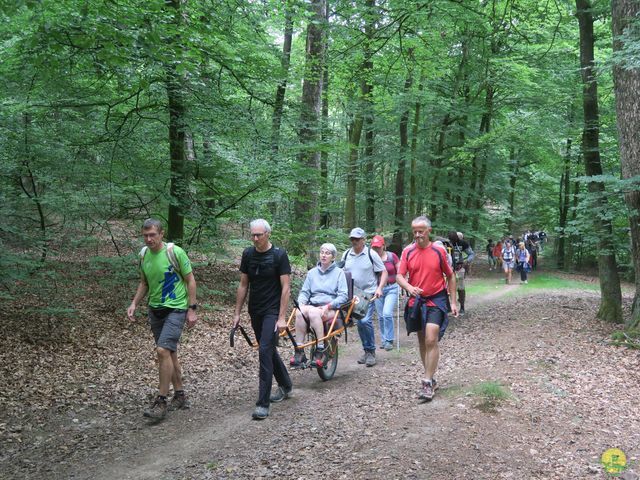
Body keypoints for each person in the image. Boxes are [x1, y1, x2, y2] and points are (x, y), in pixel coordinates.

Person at [127, 218, 198, 419]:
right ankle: (181, 394)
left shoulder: (174, 252)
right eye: (145, 235)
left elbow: (190, 280)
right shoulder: (143, 255)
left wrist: (192, 309)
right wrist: (134, 303)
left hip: (176, 309)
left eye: (152, 235)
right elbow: (144, 282)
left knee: (162, 350)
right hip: (155, 309)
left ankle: (161, 400)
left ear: (161, 234)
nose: (149, 239)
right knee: (169, 353)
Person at [233, 219, 293, 420]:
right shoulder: (248, 254)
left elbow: (286, 287)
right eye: (253, 235)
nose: (255, 238)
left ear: (268, 234)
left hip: (273, 311)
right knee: (267, 348)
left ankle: (263, 403)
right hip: (255, 310)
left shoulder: (279, 255)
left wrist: (282, 317)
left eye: (259, 235)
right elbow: (243, 285)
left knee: (265, 350)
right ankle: (286, 384)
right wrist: (237, 313)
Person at [396, 216, 458, 402]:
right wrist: (408, 287)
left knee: (432, 338)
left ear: (428, 231)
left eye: (421, 231)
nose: (417, 235)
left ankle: (427, 381)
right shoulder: (408, 252)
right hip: (417, 300)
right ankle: (430, 377)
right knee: (423, 341)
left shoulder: (439, 251)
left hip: (437, 299)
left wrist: (453, 302)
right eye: (414, 231)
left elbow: (451, 276)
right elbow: (399, 275)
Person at [291, 243, 348, 367]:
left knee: (313, 312)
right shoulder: (312, 273)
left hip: (331, 307)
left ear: (333, 257)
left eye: (327, 253)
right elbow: (305, 292)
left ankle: (320, 349)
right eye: (322, 252)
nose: (323, 255)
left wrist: (328, 306)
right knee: (299, 312)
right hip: (313, 304)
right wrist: (301, 303)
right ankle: (299, 351)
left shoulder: (339, 273)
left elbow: (343, 296)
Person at [341, 227, 387, 367]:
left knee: (364, 321)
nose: (354, 241)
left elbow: (383, 272)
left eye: (357, 239)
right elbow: (340, 272)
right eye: (352, 239)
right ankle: (367, 350)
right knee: (360, 323)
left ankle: (371, 352)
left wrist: (379, 288)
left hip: (368, 293)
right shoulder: (346, 254)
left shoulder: (371, 254)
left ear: (363, 240)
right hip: (352, 294)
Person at [370, 235, 400, 351]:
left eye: (378, 247)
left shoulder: (392, 256)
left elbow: (400, 270)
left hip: (392, 287)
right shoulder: (371, 258)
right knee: (381, 316)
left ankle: (389, 340)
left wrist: (402, 283)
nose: (376, 249)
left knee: (387, 313)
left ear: (383, 246)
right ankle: (384, 340)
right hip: (378, 289)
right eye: (374, 247)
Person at [447, 231, 475, 315]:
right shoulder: (446, 244)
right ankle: (448, 307)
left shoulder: (463, 243)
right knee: (445, 288)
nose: (452, 240)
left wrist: (466, 261)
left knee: (460, 287)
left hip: (459, 268)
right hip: (447, 269)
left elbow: (471, 254)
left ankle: (462, 307)